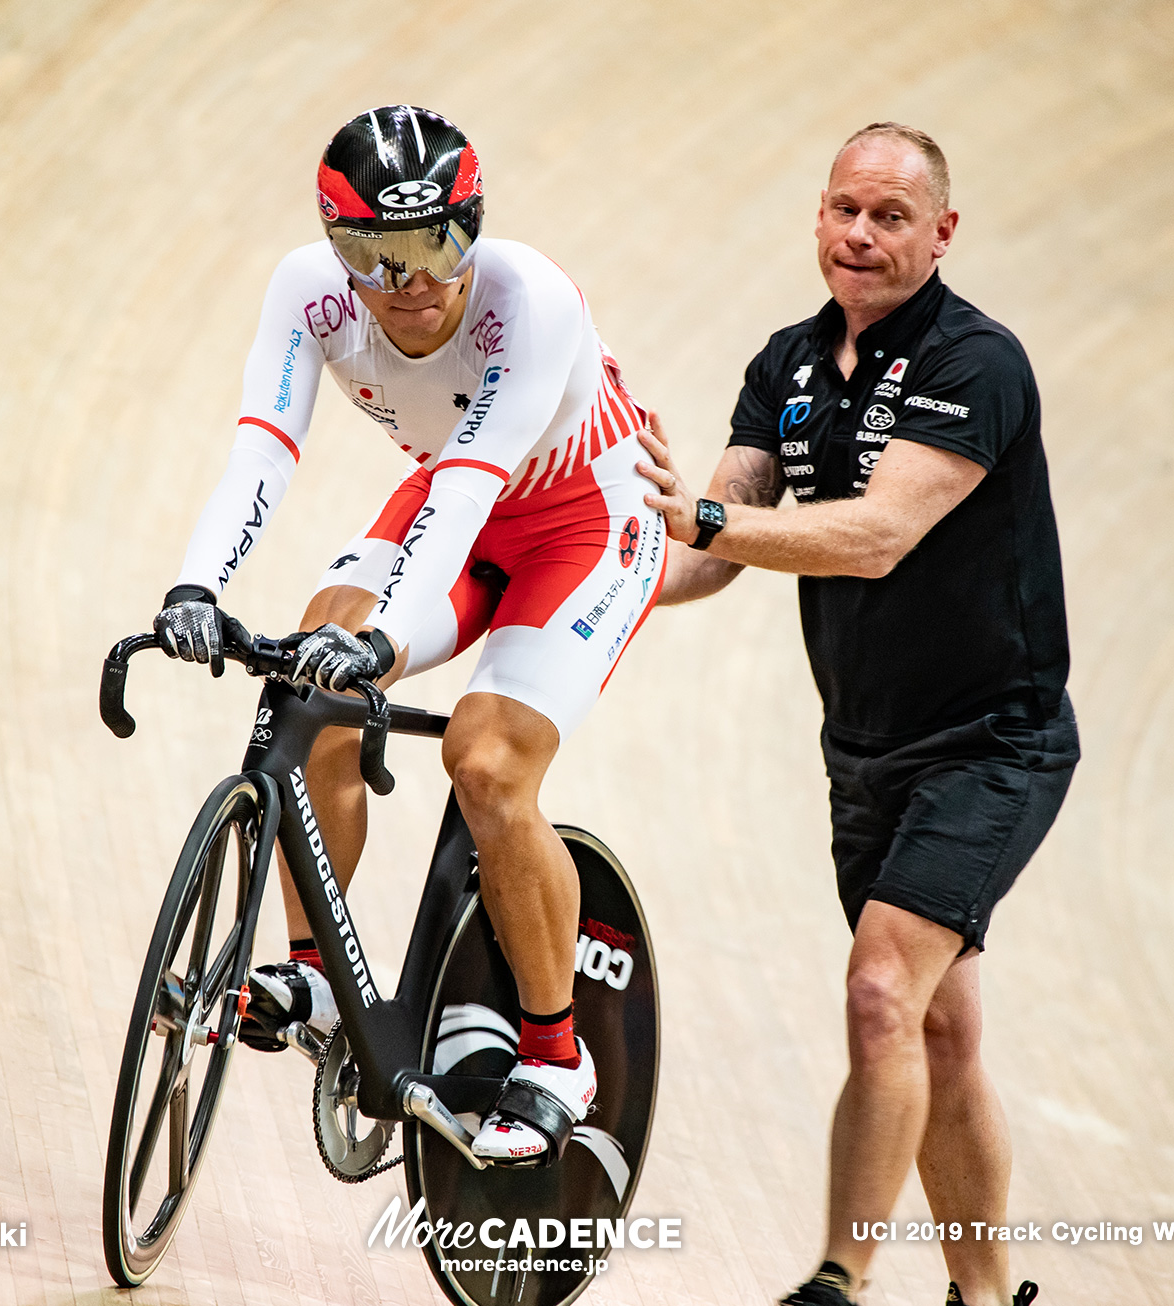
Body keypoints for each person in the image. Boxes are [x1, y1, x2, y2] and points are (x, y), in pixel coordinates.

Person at [154, 105, 666, 1164]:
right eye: (375, 257)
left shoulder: (531, 300)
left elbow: (476, 478)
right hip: (453, 507)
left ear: (473, 223)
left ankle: (556, 1050)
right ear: (336, 250)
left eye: (439, 242)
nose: (412, 280)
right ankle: (314, 978)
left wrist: (387, 647)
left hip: (583, 521)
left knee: (485, 760)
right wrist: (194, 583)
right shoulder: (306, 293)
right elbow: (263, 449)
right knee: (309, 668)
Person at [638, 123, 1074, 1306]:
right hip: (865, 749)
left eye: (891, 217)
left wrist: (707, 524)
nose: (862, 236)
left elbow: (873, 537)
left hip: (994, 744)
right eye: (845, 210)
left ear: (942, 233)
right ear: (817, 218)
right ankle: (987, 1297)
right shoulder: (783, 364)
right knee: (937, 1030)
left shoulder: (976, 361)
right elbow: (707, 551)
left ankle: (838, 1277)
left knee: (881, 988)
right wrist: (603, 583)